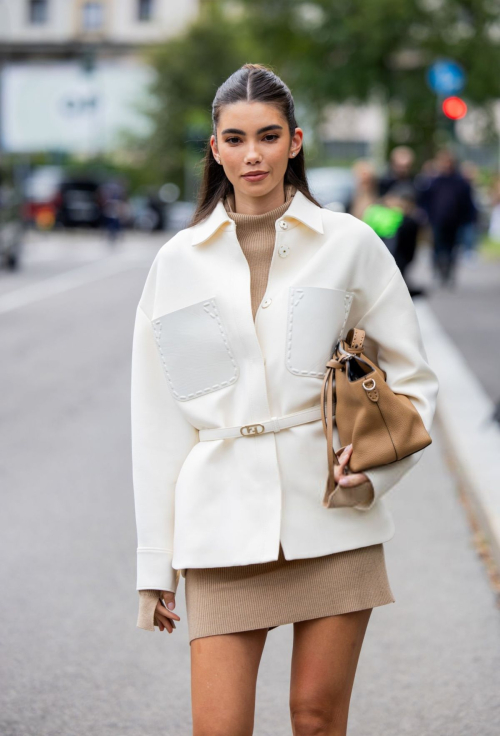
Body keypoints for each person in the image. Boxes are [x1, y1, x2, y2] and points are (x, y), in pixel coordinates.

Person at [130, 64, 438, 735]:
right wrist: (155, 564)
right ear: (214, 149)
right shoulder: (177, 264)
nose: (252, 154)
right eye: (235, 139)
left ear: (295, 141)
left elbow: (414, 377)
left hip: (333, 515)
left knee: (318, 719)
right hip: (217, 526)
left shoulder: (350, 243)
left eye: (268, 136)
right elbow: (155, 422)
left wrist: (376, 472)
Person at [421, 148, 475, 286]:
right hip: (437, 220)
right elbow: (425, 200)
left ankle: (449, 272)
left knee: (453, 248)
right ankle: (438, 270)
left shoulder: (460, 182)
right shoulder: (434, 181)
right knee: (438, 247)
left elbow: (467, 201)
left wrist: (468, 218)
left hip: (455, 221)